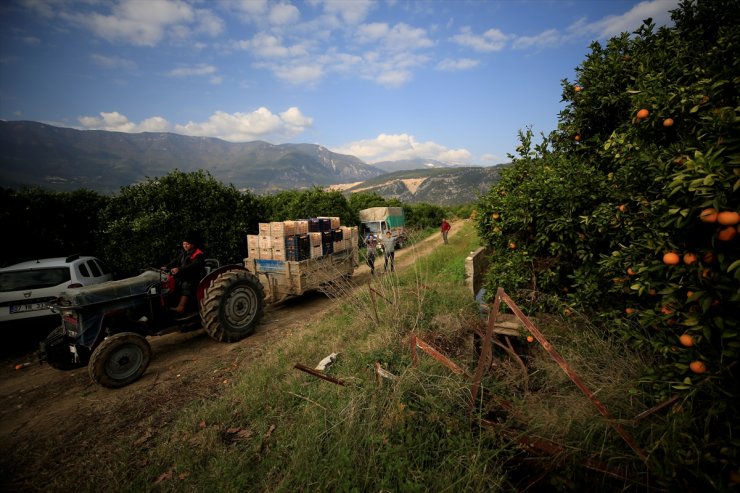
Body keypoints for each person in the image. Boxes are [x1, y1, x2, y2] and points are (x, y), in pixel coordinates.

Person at [163, 234, 206, 315]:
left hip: (195, 276)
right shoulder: (184, 253)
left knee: (186, 284)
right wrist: (166, 267)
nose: (185, 246)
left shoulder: (198, 254)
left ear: (192, 244)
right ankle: (172, 304)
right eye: (183, 244)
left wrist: (179, 269)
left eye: (187, 244)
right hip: (186, 275)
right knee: (172, 282)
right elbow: (175, 261)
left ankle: (181, 307)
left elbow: (194, 266)